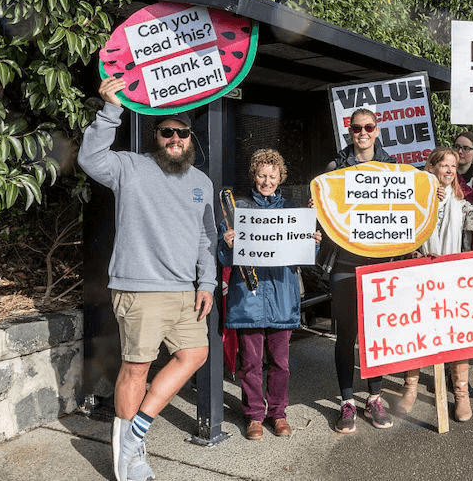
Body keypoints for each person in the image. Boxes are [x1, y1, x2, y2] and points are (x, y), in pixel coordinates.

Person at [78, 77, 217, 481]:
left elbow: (207, 237)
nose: (175, 138)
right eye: (167, 131)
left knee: (195, 355)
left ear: (191, 138)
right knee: (136, 370)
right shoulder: (129, 166)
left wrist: (206, 282)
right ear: (156, 136)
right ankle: (128, 457)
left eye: (182, 132)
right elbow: (90, 159)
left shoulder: (201, 183)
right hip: (140, 289)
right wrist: (111, 109)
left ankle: (135, 429)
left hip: (185, 293)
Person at [396, 147, 473, 421]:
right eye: (443, 165)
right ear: (431, 168)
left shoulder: (459, 202)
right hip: (418, 273)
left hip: (448, 277)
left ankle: (461, 395)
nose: (449, 170)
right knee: (415, 333)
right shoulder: (413, 199)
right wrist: (426, 197)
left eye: (453, 165)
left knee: (455, 334)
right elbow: (401, 227)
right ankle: (411, 388)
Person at [218, 149, 321, 440]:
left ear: (280, 178)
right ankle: (253, 416)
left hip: (282, 297)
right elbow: (224, 260)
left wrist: (312, 243)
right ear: (254, 175)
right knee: (250, 363)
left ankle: (278, 413)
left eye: (272, 176)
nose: (266, 181)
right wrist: (227, 244)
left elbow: (303, 259)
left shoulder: (293, 210)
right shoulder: (238, 210)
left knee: (281, 363)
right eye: (262, 175)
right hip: (248, 298)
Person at [326, 108, 397, 433]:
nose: (363, 132)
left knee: (376, 336)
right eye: (357, 128)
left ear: (377, 129)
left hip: (380, 265)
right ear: (349, 130)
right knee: (346, 336)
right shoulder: (335, 168)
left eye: (368, 127)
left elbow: (407, 210)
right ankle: (346, 402)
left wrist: (435, 196)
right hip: (344, 264)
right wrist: (319, 209)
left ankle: (374, 397)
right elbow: (326, 215)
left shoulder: (394, 168)